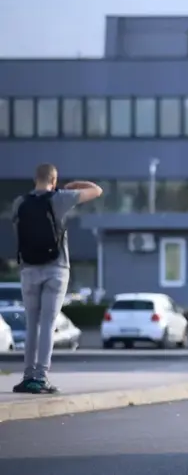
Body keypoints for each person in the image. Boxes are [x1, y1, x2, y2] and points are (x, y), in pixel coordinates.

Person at [11, 164, 102, 394]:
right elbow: (97, 190)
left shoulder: (19, 203)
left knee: (31, 325)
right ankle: (40, 378)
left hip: (29, 270)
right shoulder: (61, 198)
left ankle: (27, 376)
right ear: (54, 179)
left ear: (35, 179)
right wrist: (73, 186)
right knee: (48, 325)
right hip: (56, 268)